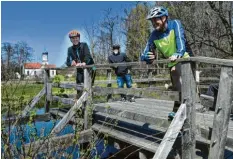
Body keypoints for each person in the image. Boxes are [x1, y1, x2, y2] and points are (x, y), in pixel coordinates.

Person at [141, 6, 193, 119]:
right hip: (171, 60)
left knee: (180, 78)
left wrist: (178, 53)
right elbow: (144, 53)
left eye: (156, 19)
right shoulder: (153, 35)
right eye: (152, 21)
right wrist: (147, 57)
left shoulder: (175, 24)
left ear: (164, 17)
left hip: (185, 57)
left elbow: (181, 42)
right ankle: (178, 109)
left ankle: (185, 109)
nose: (153, 23)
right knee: (176, 86)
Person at [66, 30, 94, 96]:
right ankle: (80, 102)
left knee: (88, 85)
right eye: (72, 38)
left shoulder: (84, 45)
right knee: (79, 85)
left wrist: (84, 62)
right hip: (79, 70)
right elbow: (68, 61)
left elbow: (88, 56)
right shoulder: (70, 49)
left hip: (89, 68)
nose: (75, 39)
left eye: (76, 38)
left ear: (79, 38)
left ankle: (89, 102)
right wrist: (71, 63)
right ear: (70, 40)